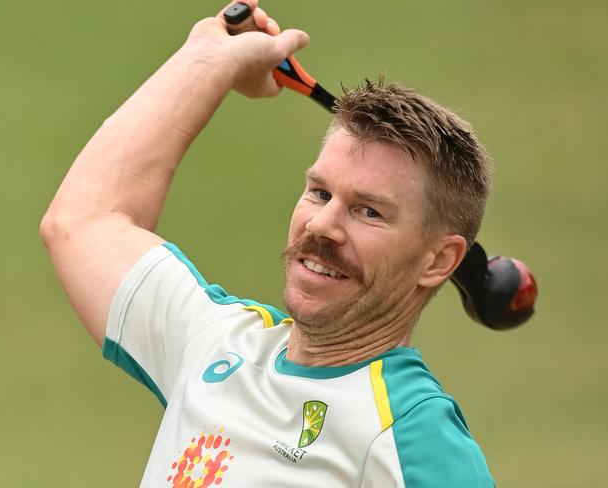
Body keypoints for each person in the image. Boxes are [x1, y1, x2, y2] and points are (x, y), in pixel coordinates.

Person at [41, 1, 495, 486]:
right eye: (320, 192)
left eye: (369, 211)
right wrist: (208, 60)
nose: (322, 225)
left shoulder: (410, 434)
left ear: (439, 260)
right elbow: (84, 220)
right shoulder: (214, 342)